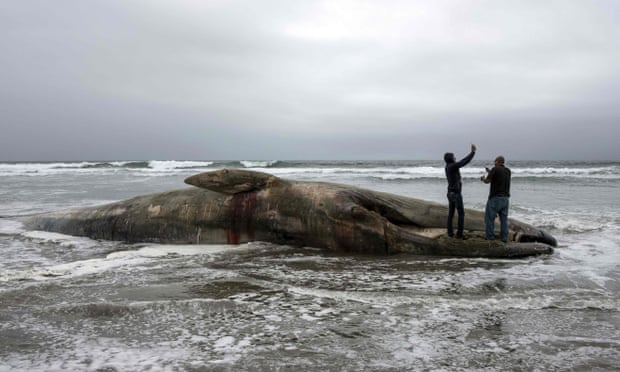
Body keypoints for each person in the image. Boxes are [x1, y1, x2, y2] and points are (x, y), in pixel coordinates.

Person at [444, 144, 476, 239]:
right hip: (455, 194)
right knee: (461, 214)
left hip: (450, 193)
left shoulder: (448, 166)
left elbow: (461, 162)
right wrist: (472, 152)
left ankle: (450, 233)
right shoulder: (452, 166)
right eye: (453, 156)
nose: (455, 157)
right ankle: (459, 234)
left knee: (451, 214)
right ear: (450, 158)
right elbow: (463, 162)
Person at [481, 155, 511, 242]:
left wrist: (483, 179)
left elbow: (488, 181)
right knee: (504, 220)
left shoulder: (495, 169)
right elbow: (499, 177)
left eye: (495, 161)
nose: (494, 163)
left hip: (495, 198)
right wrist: (490, 171)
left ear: (497, 161)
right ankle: (504, 238)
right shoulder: (508, 171)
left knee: (489, 218)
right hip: (505, 199)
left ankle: (490, 238)